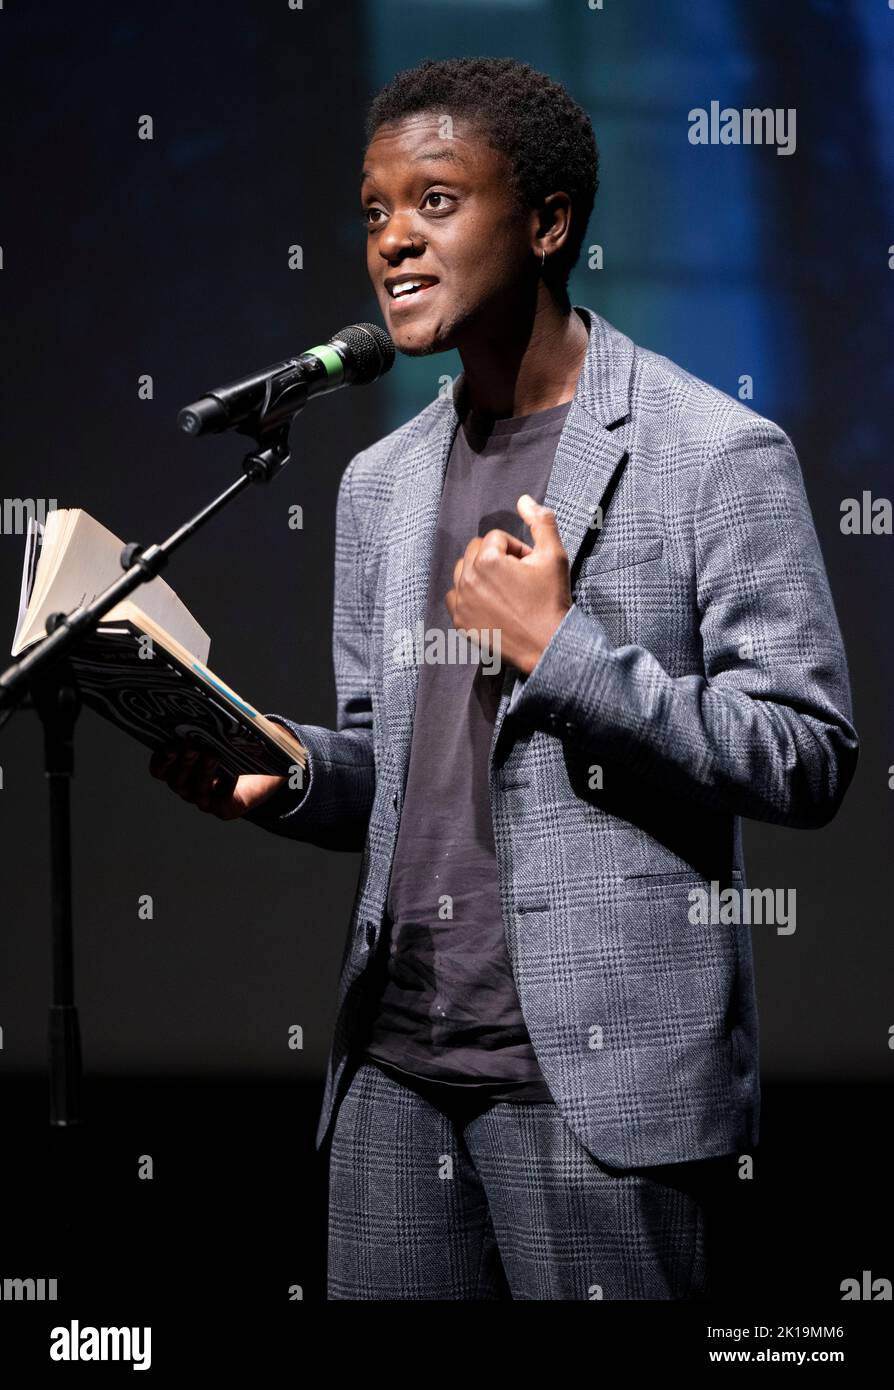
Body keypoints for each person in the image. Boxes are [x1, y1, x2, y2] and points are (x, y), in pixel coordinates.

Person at [150, 57, 858, 1300]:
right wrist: (300, 773)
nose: (392, 241)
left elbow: (806, 752)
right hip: (394, 1077)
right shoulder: (381, 485)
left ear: (546, 222)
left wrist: (565, 651)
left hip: (598, 1093)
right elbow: (396, 764)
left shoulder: (715, 453)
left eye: (434, 200)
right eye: (374, 211)